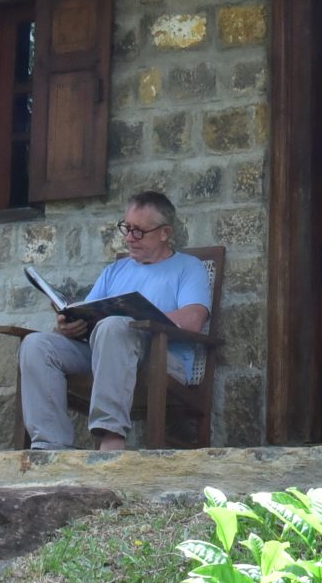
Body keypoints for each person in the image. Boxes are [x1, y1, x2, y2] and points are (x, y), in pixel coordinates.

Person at [19, 190, 212, 452]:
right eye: (126, 228)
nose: (130, 238)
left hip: (161, 356)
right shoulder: (116, 270)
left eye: (139, 231)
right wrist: (69, 325)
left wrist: (137, 317)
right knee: (36, 344)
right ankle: (50, 447)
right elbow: (91, 309)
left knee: (115, 325)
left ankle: (110, 436)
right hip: (105, 349)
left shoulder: (189, 267)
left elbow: (193, 319)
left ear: (165, 233)